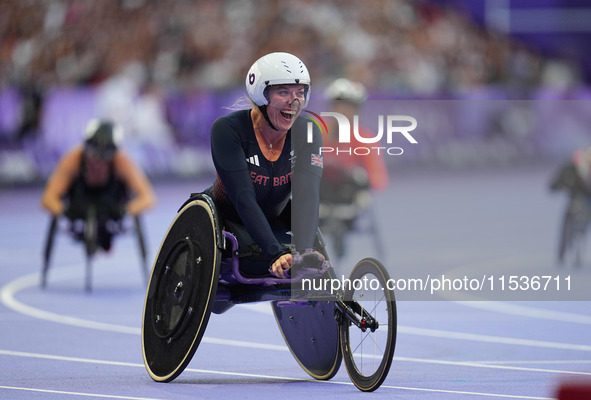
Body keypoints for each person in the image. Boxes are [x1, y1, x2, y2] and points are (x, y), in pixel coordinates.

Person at [203, 52, 324, 279]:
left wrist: (304, 252)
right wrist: (274, 252)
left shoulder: (307, 132)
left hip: (275, 220)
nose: (294, 101)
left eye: (300, 92)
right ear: (261, 95)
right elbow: (243, 197)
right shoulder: (228, 129)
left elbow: (308, 196)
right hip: (227, 219)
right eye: (283, 92)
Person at [41, 119, 156, 250]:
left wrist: (125, 210)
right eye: (93, 154)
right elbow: (48, 199)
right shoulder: (73, 159)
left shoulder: (122, 161)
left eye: (104, 157)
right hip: (79, 202)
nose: (97, 162)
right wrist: (65, 210)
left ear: (113, 153)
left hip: (112, 204)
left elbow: (148, 198)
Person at [319, 78, 389, 259]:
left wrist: (354, 175)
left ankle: (338, 225)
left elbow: (378, 179)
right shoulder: (316, 131)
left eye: (349, 106)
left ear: (357, 110)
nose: (343, 111)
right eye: (339, 105)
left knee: (357, 183)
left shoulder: (366, 138)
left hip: (348, 199)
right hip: (318, 197)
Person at [550, 146, 591, 264]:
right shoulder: (572, 169)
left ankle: (567, 253)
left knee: (573, 225)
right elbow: (554, 185)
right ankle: (564, 254)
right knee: (569, 225)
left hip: (584, 203)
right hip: (576, 203)